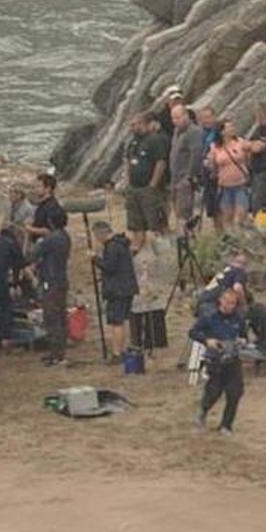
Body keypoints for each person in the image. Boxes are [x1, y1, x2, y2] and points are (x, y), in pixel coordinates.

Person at [191, 288, 248, 435]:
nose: (230, 306)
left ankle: (226, 425)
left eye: (233, 303)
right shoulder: (209, 317)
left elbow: (244, 336)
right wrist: (207, 340)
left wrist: (242, 341)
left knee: (235, 393)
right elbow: (193, 332)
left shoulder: (238, 318)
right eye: (227, 302)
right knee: (214, 391)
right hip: (215, 360)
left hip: (233, 359)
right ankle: (203, 411)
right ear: (221, 301)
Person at [30, 207, 71, 365]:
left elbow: (32, 254)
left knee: (52, 317)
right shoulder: (65, 237)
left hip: (50, 281)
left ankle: (56, 354)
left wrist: (39, 240)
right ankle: (60, 351)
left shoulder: (50, 240)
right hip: (61, 279)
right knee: (61, 316)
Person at [92, 221, 137, 359]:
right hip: (127, 288)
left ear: (101, 234)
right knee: (123, 320)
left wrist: (95, 259)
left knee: (116, 322)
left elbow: (110, 267)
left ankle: (117, 352)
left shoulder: (112, 247)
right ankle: (124, 348)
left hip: (118, 290)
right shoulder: (122, 244)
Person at [124, 111, 169, 250]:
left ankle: (164, 251)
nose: (132, 128)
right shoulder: (133, 142)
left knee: (155, 222)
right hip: (133, 188)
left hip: (147, 189)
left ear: (142, 124)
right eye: (130, 125)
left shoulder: (153, 140)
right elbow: (127, 161)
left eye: (134, 124)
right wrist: (127, 182)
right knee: (135, 223)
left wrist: (152, 184)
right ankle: (137, 249)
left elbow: (160, 163)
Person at [205, 117, 251, 230]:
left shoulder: (240, 142)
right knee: (227, 218)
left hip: (240, 184)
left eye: (232, 127)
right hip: (225, 186)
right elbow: (212, 164)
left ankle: (240, 236)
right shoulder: (215, 147)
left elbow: (248, 154)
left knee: (240, 216)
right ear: (222, 132)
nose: (232, 129)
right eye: (229, 127)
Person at [168, 104, 204, 228]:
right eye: (173, 118)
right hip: (175, 178)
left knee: (184, 213)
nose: (175, 121)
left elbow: (196, 155)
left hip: (185, 179)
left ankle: (187, 238)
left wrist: (189, 177)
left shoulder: (194, 132)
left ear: (186, 115)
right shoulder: (176, 132)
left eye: (178, 117)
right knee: (177, 213)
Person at [196, 105, 223, 224]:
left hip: (221, 174)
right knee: (212, 210)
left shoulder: (220, 132)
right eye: (204, 118)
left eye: (209, 117)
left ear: (214, 117)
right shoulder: (200, 134)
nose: (206, 120)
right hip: (206, 174)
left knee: (223, 207)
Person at [26, 173, 64, 242]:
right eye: (35, 187)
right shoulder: (42, 205)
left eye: (39, 186)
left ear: (48, 188)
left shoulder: (52, 207)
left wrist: (29, 228)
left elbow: (49, 231)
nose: (36, 189)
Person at [5, 184, 34, 250]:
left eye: (13, 192)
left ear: (20, 195)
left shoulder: (28, 209)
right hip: (9, 238)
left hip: (22, 241)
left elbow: (28, 231)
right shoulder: (9, 206)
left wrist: (13, 225)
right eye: (10, 192)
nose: (10, 195)